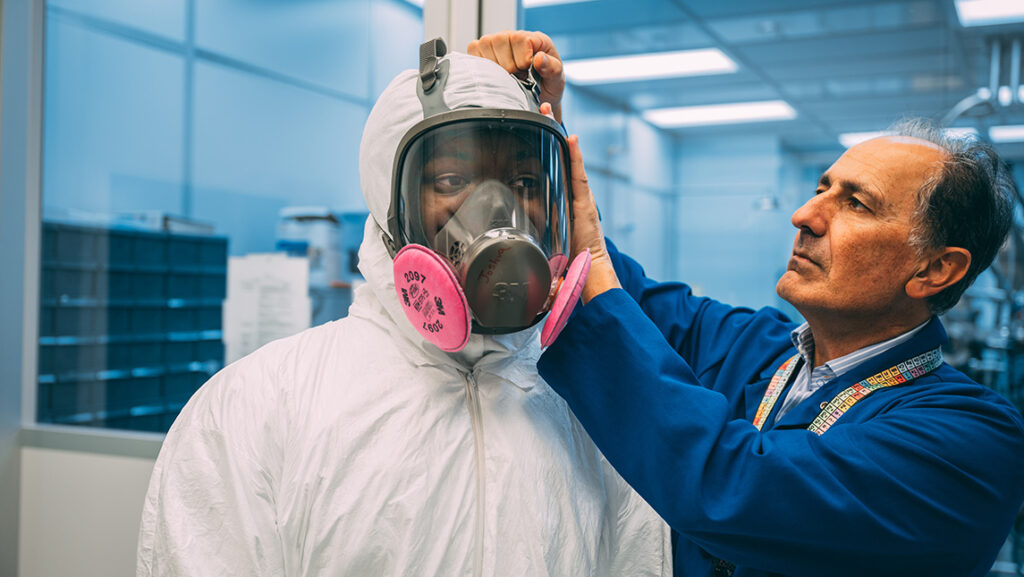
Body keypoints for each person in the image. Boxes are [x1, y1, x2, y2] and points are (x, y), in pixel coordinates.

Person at [472, 31, 1024, 577]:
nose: (805, 216)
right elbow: (624, 293)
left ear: (934, 269)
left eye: (856, 203)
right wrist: (538, 136)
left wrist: (588, 255)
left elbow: (737, 487)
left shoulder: (971, 442)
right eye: (822, 188)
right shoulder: (760, 350)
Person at [136, 44, 672, 576]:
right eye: (451, 181)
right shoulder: (258, 408)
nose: (497, 210)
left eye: (526, 183)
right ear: (388, 206)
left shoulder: (595, 410)